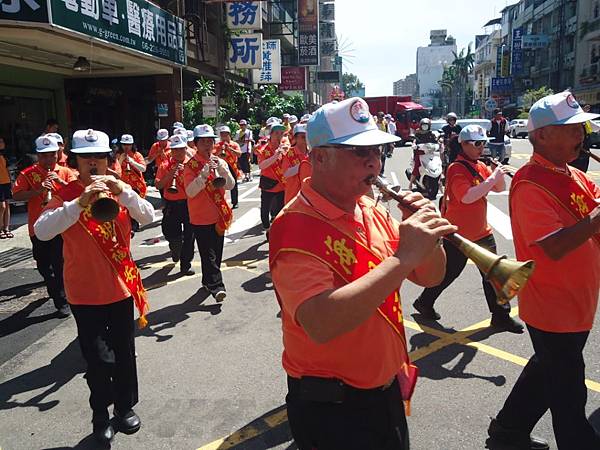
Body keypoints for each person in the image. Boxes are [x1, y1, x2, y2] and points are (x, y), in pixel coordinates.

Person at [270, 97, 457, 450]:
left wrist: (428, 240)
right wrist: (402, 258)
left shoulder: (371, 207)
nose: (373, 161)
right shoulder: (294, 227)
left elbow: (430, 277)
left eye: (376, 151)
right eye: (358, 152)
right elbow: (320, 322)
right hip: (335, 408)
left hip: (384, 391)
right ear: (320, 157)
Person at [488, 92, 600, 450]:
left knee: (546, 370)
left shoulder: (576, 176)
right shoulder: (530, 181)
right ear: (540, 135)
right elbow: (554, 246)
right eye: (567, 128)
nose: (579, 134)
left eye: (579, 126)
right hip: (552, 305)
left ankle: (507, 431)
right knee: (569, 390)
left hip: (577, 299)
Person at [34, 128, 154, 445]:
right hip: (83, 292)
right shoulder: (64, 192)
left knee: (125, 354)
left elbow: (148, 215)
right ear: (75, 160)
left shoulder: (119, 186)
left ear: (107, 159)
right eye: (86, 158)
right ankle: (100, 414)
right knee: (99, 360)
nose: (93, 163)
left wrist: (124, 191)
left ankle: (125, 408)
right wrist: (78, 203)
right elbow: (42, 231)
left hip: (120, 289)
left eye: (99, 157)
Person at [412, 125, 524, 333]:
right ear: (464, 144)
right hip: (458, 234)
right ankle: (424, 302)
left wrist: (497, 173)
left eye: (484, 143)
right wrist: (492, 177)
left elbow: (500, 189)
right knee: (448, 273)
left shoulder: (480, 165)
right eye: (477, 143)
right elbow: (466, 196)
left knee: (494, 275)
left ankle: (501, 317)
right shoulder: (456, 168)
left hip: (483, 232)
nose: (482, 147)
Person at [12, 135, 76, 316]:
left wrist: (61, 183)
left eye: (52, 155)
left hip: (61, 227)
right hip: (37, 227)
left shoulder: (66, 171)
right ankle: (55, 290)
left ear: (58, 154)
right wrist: (39, 190)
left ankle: (61, 300)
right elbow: (16, 196)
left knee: (59, 265)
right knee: (44, 266)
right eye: (44, 156)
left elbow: (77, 193)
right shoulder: (28, 173)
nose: (48, 159)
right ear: (38, 156)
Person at [184, 125, 235, 302]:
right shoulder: (190, 166)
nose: (208, 145)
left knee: (216, 254)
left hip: (219, 215)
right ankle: (217, 287)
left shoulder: (219, 161)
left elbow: (230, 185)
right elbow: (190, 191)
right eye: (203, 142)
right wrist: (203, 175)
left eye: (210, 141)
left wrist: (223, 170)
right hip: (200, 217)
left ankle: (208, 281)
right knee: (208, 254)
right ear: (196, 144)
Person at [155, 134, 194, 275]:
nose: (178, 152)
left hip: (189, 204)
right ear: (171, 150)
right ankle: (175, 247)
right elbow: (158, 184)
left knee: (190, 236)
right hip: (171, 204)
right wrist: (171, 173)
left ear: (185, 149)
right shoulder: (165, 165)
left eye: (181, 149)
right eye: (175, 149)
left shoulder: (191, 164)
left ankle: (186, 264)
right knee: (171, 233)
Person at [256, 118, 287, 235]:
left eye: (281, 133)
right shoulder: (264, 149)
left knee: (280, 210)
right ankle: (267, 228)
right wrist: (276, 155)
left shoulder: (285, 147)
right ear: (271, 134)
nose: (279, 136)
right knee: (265, 208)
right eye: (277, 133)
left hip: (281, 184)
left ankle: (276, 229)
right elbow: (261, 165)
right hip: (268, 183)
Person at [282, 123, 311, 204]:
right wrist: (304, 164)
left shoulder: (312, 152)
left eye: (307, 136)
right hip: (293, 196)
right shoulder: (289, 153)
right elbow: (286, 173)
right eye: (302, 137)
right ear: (295, 138)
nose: (305, 139)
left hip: (309, 197)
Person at [214, 126, 241, 209]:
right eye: (222, 135)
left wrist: (230, 149)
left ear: (229, 135)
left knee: (234, 184)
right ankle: (222, 201)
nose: (224, 136)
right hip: (221, 166)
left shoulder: (234, 144)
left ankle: (235, 202)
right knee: (221, 184)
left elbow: (239, 154)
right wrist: (220, 151)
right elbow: (213, 155)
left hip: (232, 166)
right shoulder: (217, 145)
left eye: (226, 134)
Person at [408, 118, 438, 190]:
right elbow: (414, 140)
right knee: (416, 167)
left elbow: (435, 141)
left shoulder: (431, 134)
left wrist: (439, 141)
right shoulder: (418, 133)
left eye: (426, 125)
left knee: (437, 163)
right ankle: (410, 184)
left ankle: (439, 182)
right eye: (423, 125)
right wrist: (414, 145)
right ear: (421, 125)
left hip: (429, 153)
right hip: (419, 153)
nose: (425, 127)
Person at [0, 136, 13, 239]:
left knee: (7, 205)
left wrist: (11, 182)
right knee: (2, 206)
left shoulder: (5, 155)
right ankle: (0, 228)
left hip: (6, 183)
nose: (2, 143)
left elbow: (7, 169)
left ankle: (7, 228)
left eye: (2, 141)